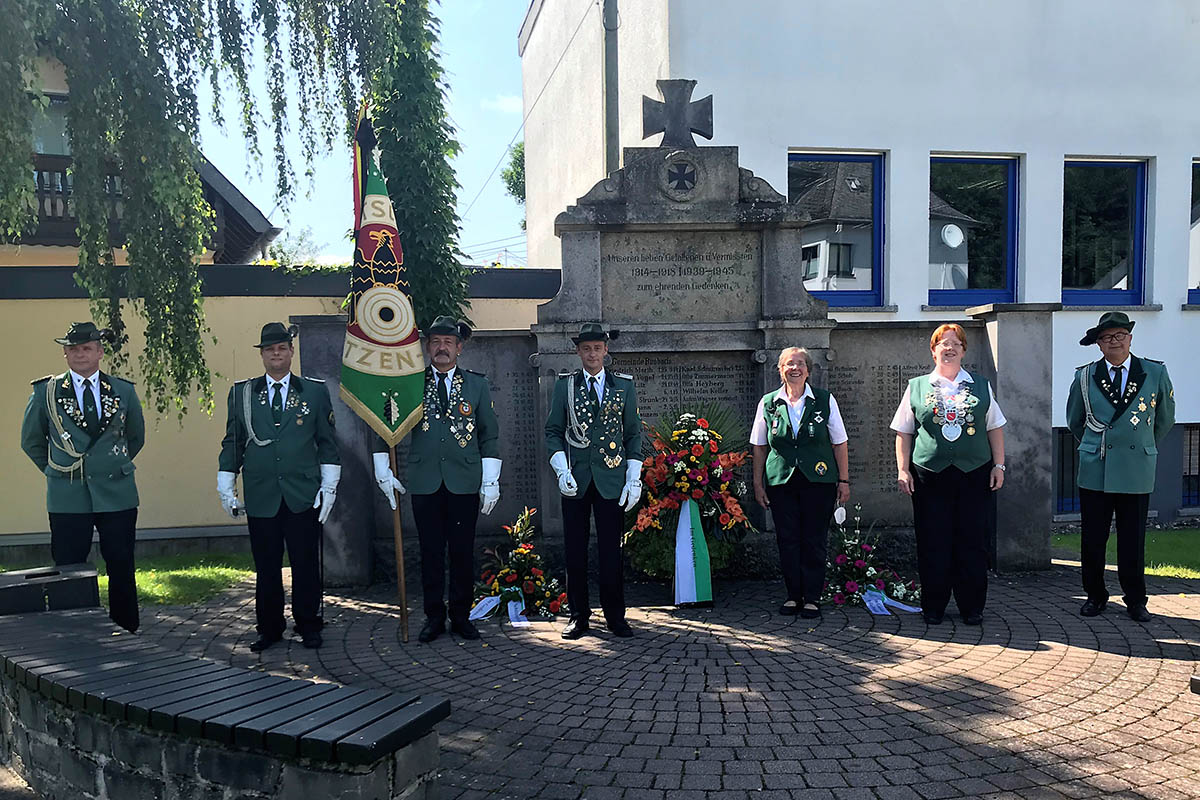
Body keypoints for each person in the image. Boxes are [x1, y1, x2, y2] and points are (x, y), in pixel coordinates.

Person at [372, 316, 501, 643]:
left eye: (448, 342)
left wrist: (490, 479)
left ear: (459, 347)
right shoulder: (412, 383)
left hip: (464, 480)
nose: (441, 348)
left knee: (461, 552)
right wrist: (382, 468)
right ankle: (433, 616)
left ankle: (460, 616)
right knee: (430, 552)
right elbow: (384, 423)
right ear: (427, 347)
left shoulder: (476, 385)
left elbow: (489, 434)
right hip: (425, 480)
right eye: (435, 342)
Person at [217, 322, 340, 651]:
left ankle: (308, 624)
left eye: (282, 348)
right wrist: (226, 486)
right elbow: (233, 441)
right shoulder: (242, 393)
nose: (276, 353)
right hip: (262, 493)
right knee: (267, 565)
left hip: (302, 493)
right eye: (269, 349)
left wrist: (329, 485)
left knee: (305, 563)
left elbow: (327, 442)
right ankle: (269, 628)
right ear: (262, 354)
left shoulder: (313, 391)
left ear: (291, 352)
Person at [20, 321, 145, 633]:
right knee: (69, 568)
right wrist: (58, 470)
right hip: (68, 495)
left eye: (86, 348)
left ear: (100, 352)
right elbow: (32, 441)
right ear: (65, 353)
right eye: (73, 349)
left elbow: (135, 437)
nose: (80, 354)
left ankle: (126, 629)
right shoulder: (46, 392)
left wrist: (107, 466)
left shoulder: (123, 391)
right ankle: (75, 632)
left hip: (117, 491)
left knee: (121, 563)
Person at [891, 323, 1006, 626]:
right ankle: (934, 605)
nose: (950, 348)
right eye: (943, 343)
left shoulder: (980, 385)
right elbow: (903, 432)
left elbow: (994, 426)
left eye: (956, 343)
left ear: (964, 350)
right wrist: (903, 470)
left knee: (972, 541)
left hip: (974, 473)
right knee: (933, 540)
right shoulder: (917, 386)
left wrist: (999, 465)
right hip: (931, 475)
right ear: (933, 350)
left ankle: (972, 606)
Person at [1066, 312, 1174, 622]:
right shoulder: (1085, 376)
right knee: (1093, 538)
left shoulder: (1153, 373)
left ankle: (1136, 600)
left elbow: (1165, 419)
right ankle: (1095, 596)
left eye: (1119, 335)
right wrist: (1099, 443)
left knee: (1132, 539)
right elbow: (1075, 420)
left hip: (1135, 467)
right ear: (1097, 344)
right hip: (1096, 466)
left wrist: (1140, 444)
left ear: (1130, 338)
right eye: (1106, 337)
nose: (1114, 341)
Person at [544, 323, 643, 640]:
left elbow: (633, 434)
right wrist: (561, 469)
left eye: (597, 348)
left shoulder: (623, 387)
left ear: (606, 351)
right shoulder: (566, 386)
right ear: (578, 352)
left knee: (611, 551)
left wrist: (633, 477)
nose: (592, 354)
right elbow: (553, 432)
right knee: (575, 550)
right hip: (576, 479)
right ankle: (578, 616)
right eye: (586, 348)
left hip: (611, 479)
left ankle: (615, 615)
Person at [751, 347, 850, 620]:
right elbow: (759, 446)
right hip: (781, 481)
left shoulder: (824, 400)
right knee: (788, 539)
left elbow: (839, 442)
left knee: (814, 538)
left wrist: (844, 480)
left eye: (799, 364)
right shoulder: (768, 402)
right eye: (788, 364)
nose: (794, 368)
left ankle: (812, 598)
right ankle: (793, 595)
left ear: (808, 370)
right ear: (780, 370)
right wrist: (758, 484)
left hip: (818, 480)